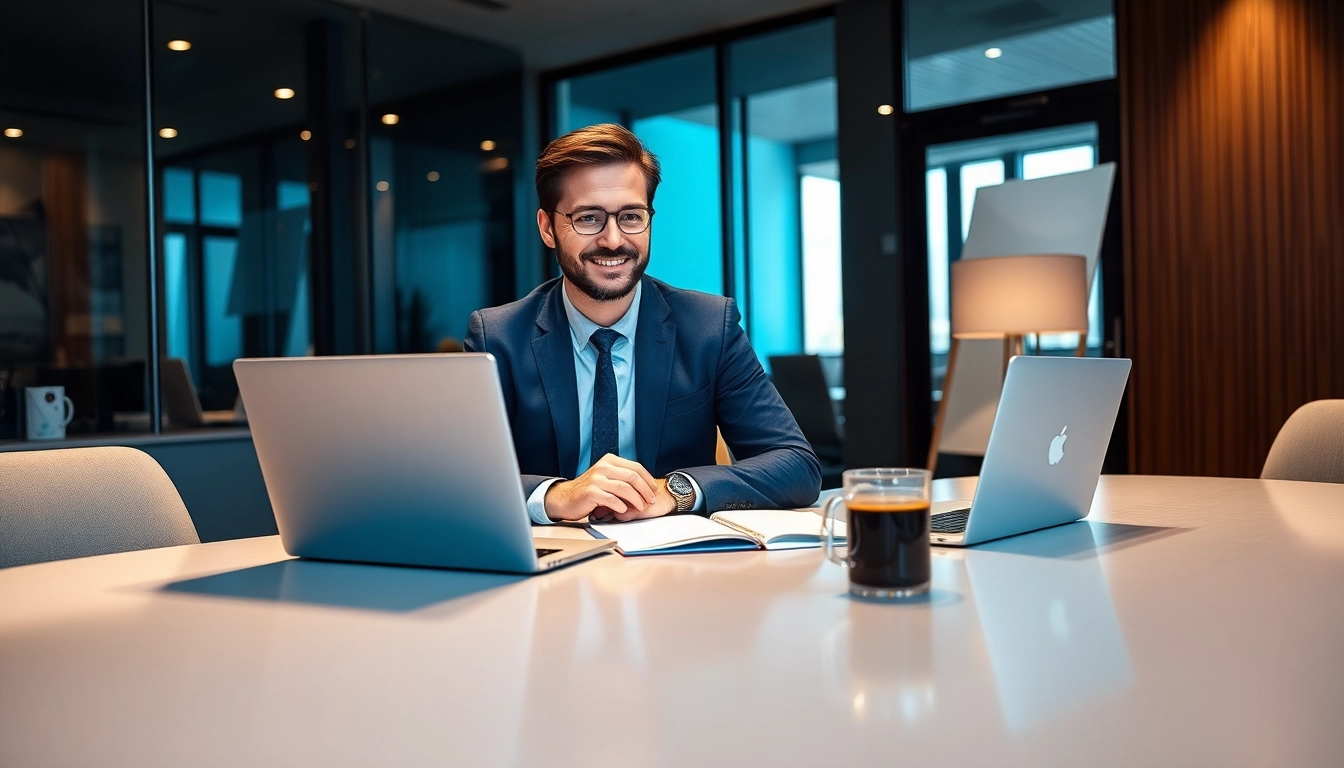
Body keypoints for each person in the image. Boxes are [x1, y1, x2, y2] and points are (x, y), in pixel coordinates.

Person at [465, 123, 820, 525]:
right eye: (588, 218)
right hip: (551, 562)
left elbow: (796, 465)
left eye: (631, 216)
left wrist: (674, 491)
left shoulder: (708, 327)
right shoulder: (498, 337)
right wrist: (555, 496)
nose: (614, 240)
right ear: (548, 228)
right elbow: (459, 480)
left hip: (675, 568)